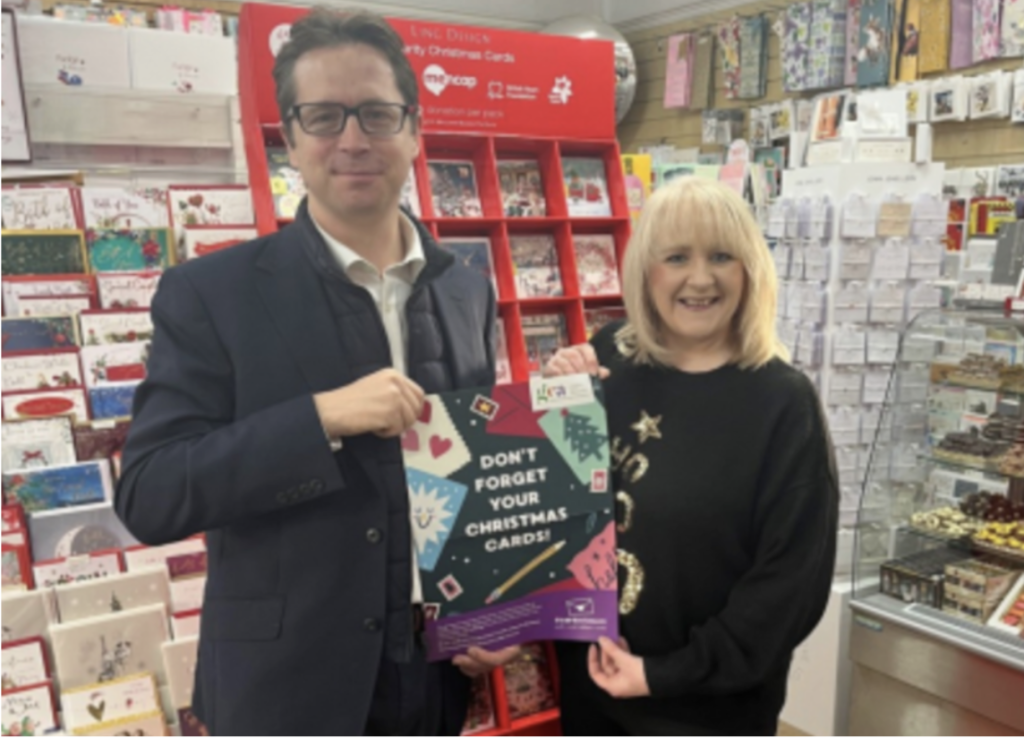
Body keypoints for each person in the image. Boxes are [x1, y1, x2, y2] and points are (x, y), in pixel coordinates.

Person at [115, 8, 518, 736]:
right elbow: (151, 493)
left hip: (431, 686)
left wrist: (491, 606)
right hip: (283, 694)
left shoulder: (467, 288)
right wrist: (320, 419)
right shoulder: (212, 294)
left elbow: (471, 473)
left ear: (415, 131)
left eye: (377, 113)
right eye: (325, 116)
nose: (355, 139)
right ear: (291, 141)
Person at [543, 177, 839, 736]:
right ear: (645, 271)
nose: (700, 278)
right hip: (592, 696)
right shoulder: (610, 356)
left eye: (721, 256)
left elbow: (788, 589)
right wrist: (554, 407)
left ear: (750, 269)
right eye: (677, 256)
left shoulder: (782, 403)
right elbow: (556, 507)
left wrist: (663, 674)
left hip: (705, 711)